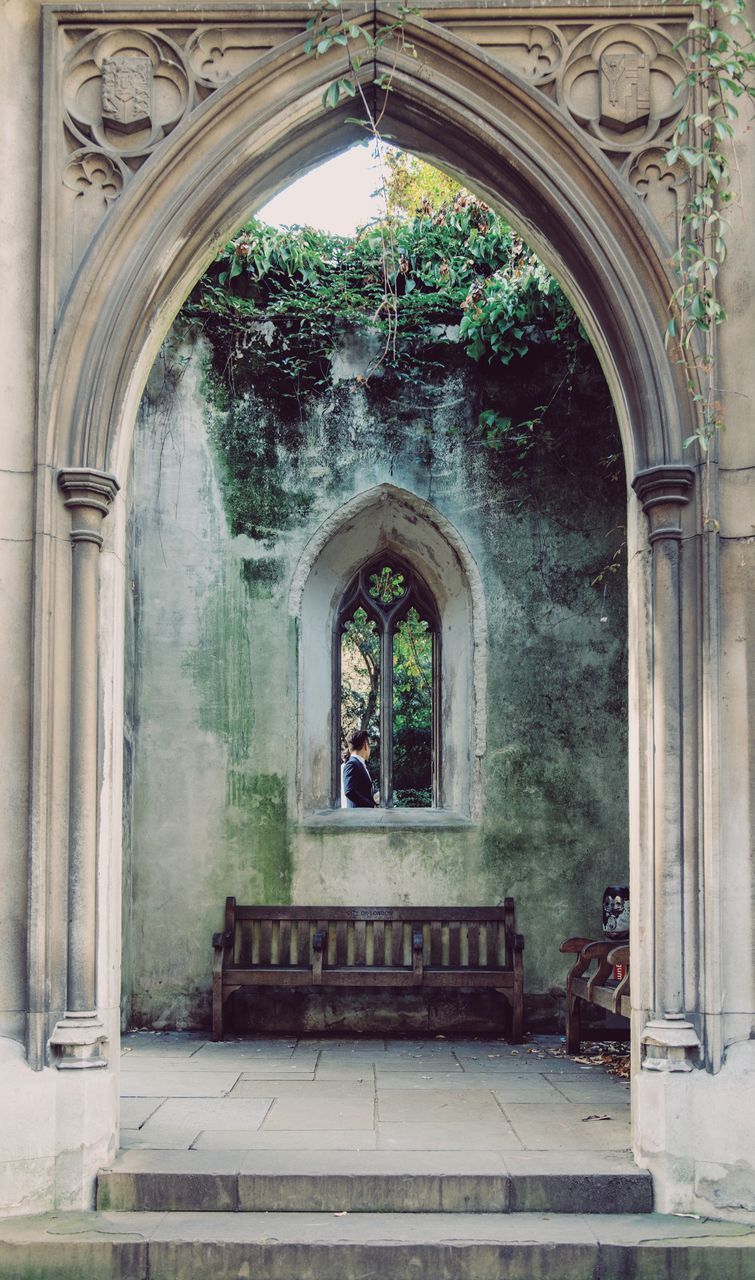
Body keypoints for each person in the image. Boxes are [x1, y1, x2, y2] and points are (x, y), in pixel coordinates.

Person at [341, 730, 378, 808]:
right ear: (365, 745)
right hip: (357, 815)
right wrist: (371, 805)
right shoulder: (352, 763)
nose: (370, 750)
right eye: (369, 746)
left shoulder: (358, 763)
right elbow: (349, 791)